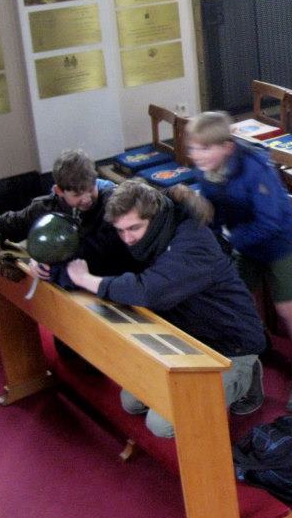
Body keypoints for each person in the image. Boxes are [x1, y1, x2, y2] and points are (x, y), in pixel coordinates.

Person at [66, 179, 268, 438]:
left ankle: (246, 377)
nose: (127, 238)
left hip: (231, 346)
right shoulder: (152, 232)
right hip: (187, 337)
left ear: (155, 216)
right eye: (120, 230)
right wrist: (54, 261)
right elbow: (103, 250)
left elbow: (148, 291)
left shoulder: (193, 242)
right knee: (131, 403)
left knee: (162, 425)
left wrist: (87, 280)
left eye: (133, 228)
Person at [185, 111, 292, 412]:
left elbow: (270, 221)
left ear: (227, 147)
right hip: (243, 240)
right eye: (193, 148)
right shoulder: (206, 170)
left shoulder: (256, 168)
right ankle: (254, 345)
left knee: (286, 307)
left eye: (205, 148)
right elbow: (213, 210)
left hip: (277, 242)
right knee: (235, 299)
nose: (197, 155)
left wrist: (230, 239)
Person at [0, 149, 134, 285]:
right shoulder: (45, 207)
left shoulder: (114, 205)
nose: (87, 199)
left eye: (91, 189)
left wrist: (46, 263)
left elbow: (97, 253)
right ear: (59, 191)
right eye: (77, 194)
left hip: (112, 281)